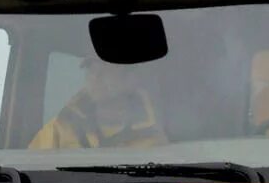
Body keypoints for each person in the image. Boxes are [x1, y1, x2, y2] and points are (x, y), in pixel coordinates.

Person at [30, 56, 167, 152]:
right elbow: (30, 170)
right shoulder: (61, 126)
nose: (95, 78)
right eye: (91, 70)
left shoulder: (153, 135)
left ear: (130, 79)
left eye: (105, 70)